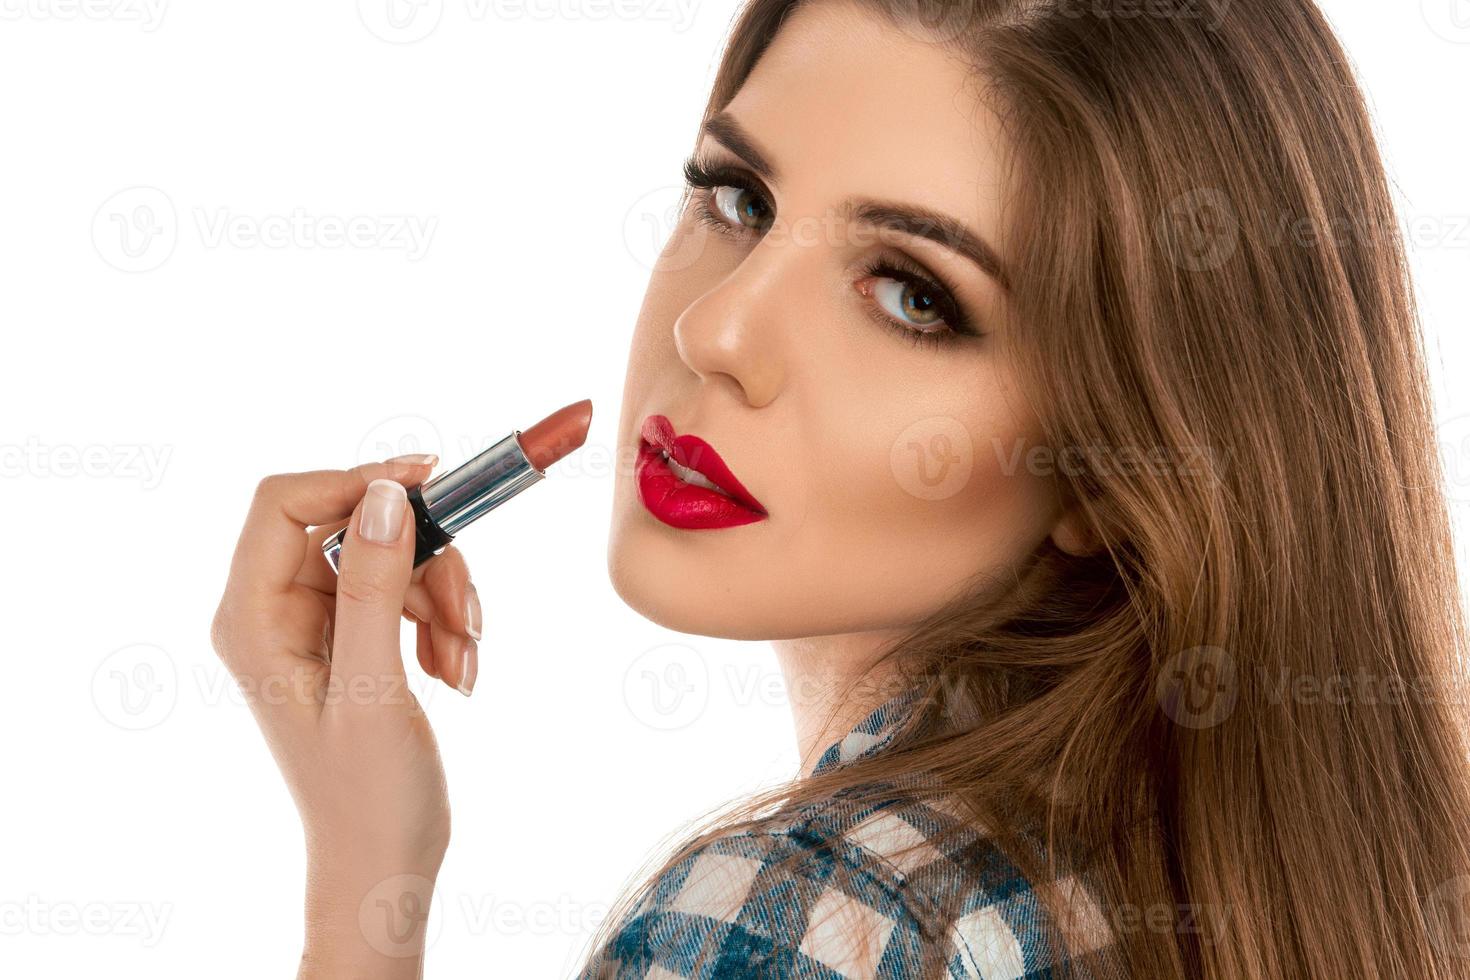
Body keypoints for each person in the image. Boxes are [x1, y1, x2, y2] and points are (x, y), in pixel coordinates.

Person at [210, 0, 1470, 976]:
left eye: (912, 293)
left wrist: (360, 898)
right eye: (739, 197)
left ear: (1111, 465)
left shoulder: (811, 914)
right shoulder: (1224, 885)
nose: (718, 328)